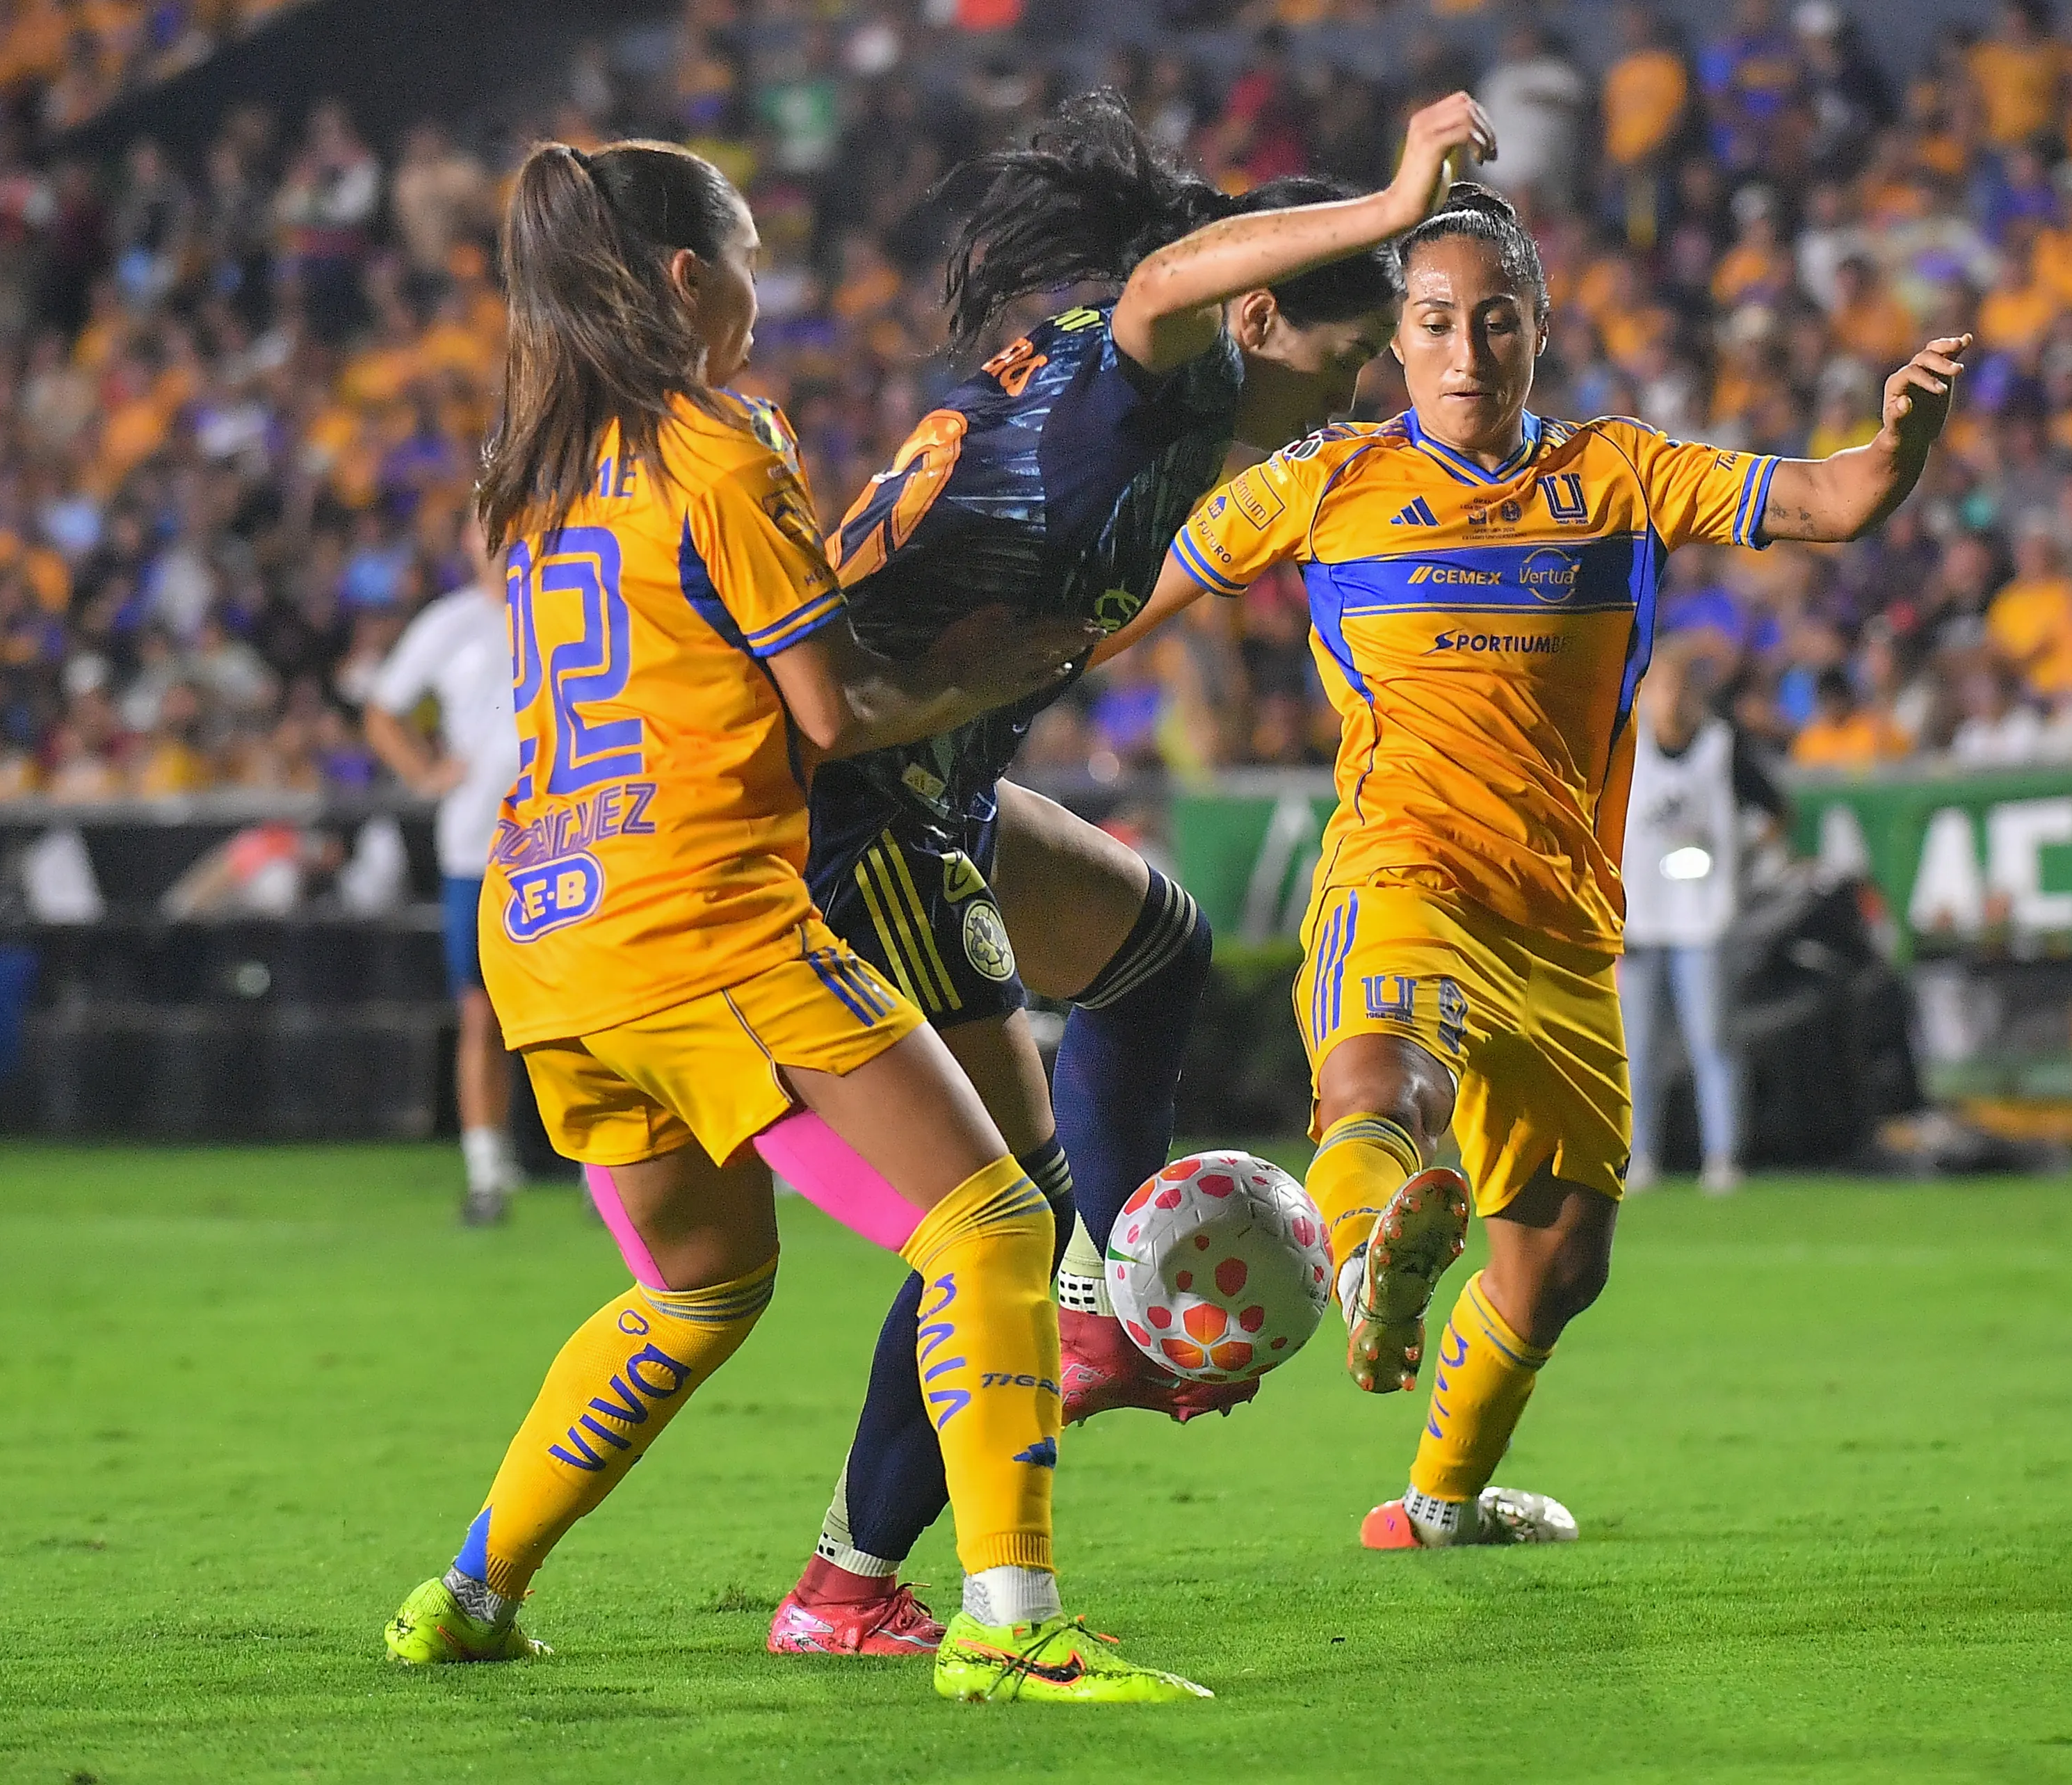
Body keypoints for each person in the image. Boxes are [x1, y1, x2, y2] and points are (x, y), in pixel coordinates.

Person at [380, 138, 1206, 1704]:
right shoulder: (721, 441)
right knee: (996, 1223)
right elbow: (827, 710)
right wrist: (1008, 660)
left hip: (545, 931)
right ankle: (1006, 1620)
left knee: (696, 1285)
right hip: (703, 914)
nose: (761, 289)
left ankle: (472, 1585)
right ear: (689, 277)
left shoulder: (532, 468)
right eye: (747, 255)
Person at [1122, 186, 1966, 1549]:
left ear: (1537, 332)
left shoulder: (1616, 473)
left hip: (1563, 925)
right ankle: (1360, 1261)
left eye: (1492, 321)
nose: (1464, 352)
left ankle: (1436, 1504)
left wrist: (1899, 437)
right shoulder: (1323, 483)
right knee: (1376, 1063)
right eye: (1434, 322)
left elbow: (1833, 497)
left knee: (1558, 1256)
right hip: (1401, 873)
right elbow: (1122, 599)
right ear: (1394, 341)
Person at [766, 88, 1496, 1656]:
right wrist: (1387, 203)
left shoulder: (1170, 401)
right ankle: (854, 1588)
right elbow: (1169, 286)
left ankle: (1101, 1310)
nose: (1352, 387)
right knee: (994, 1212)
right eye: (1347, 350)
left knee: (1152, 945)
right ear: (1258, 311)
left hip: (936, 783)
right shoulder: (1148, 366)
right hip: (857, 807)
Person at [365, 519, 528, 1227]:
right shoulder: (452, 623)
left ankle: (603, 1170)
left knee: (589, 1010)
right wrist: (425, 772)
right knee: (479, 1007)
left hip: (566, 836)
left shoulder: (564, 602)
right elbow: (382, 708)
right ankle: (487, 1168)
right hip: (476, 842)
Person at [1618, 638, 1788, 1195]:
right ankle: (1639, 1158)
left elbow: (1776, 812)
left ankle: (1722, 1158)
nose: (1669, 699)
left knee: (1711, 1040)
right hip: (1641, 918)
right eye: (1660, 686)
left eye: (1678, 687)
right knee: (1634, 1049)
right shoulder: (1627, 747)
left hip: (1702, 916)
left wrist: (1741, 856)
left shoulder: (1721, 747)